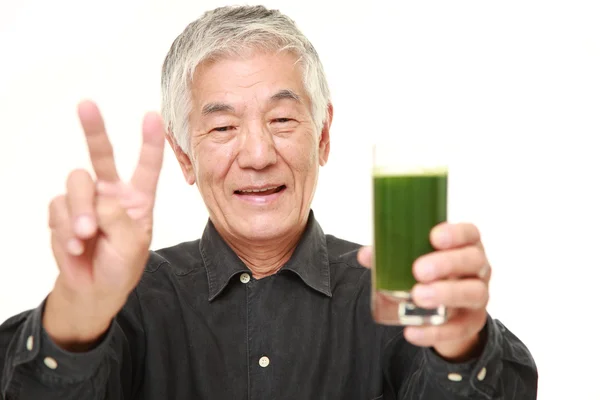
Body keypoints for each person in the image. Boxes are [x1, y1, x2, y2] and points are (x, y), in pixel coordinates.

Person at [0, 5, 537, 399]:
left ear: (323, 135)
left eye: (282, 120)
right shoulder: (128, 303)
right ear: (183, 156)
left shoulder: (401, 295)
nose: (257, 153)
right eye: (223, 126)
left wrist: (463, 346)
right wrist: (76, 317)